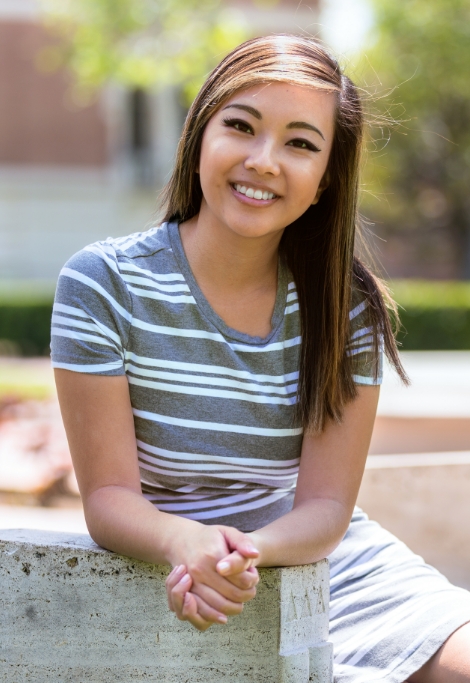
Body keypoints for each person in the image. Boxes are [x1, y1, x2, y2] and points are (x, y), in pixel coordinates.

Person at [51, 34, 470, 682]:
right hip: (175, 572)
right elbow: (108, 496)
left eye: (300, 143)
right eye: (241, 126)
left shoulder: (347, 307)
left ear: (325, 178)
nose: (263, 160)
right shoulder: (102, 285)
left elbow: (328, 508)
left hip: (321, 566)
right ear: (200, 135)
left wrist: (245, 553)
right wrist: (186, 544)